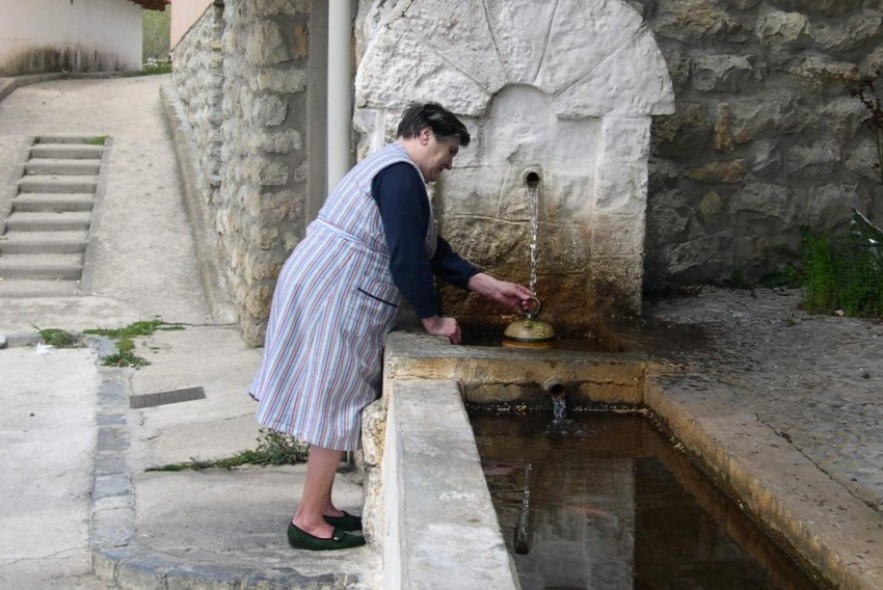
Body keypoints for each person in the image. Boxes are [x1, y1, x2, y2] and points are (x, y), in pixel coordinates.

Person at [248, 103, 533, 551]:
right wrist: (433, 319)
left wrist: (490, 286)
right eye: (450, 150)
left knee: (334, 392)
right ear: (424, 135)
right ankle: (306, 521)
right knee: (334, 397)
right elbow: (406, 255)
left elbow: (431, 252)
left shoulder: (396, 171)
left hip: (327, 281)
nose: (450, 163)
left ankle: (322, 506)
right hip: (336, 289)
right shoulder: (401, 175)